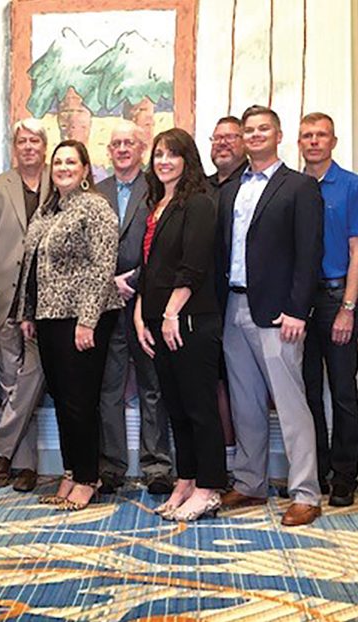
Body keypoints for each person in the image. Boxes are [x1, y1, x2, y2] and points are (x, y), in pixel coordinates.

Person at [217, 105, 324, 527]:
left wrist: (298, 309)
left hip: (280, 314)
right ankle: (250, 482)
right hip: (233, 306)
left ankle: (306, 493)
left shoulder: (299, 187)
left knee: (291, 405)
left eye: (264, 129)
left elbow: (309, 253)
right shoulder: (230, 189)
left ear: (279, 136)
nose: (255, 135)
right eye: (249, 130)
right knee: (245, 404)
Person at [18, 140, 121, 511]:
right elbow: (31, 265)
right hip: (49, 317)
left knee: (80, 401)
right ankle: (71, 470)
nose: (63, 168)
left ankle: (88, 477)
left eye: (71, 162)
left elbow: (102, 266)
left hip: (83, 318)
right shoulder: (48, 210)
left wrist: (87, 321)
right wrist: (27, 312)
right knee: (62, 400)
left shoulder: (95, 207)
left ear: (85, 169)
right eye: (58, 162)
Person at [133, 128, 226, 521]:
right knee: (177, 409)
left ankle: (209, 487)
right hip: (158, 319)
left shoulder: (199, 202)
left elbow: (194, 265)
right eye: (158, 154)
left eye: (172, 154)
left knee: (200, 408)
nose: (163, 161)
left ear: (187, 160)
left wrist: (171, 313)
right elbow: (150, 267)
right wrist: (141, 316)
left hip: (190, 319)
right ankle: (186, 480)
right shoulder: (157, 204)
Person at [298, 112, 358, 507]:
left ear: (333, 141)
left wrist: (348, 308)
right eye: (307, 136)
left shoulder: (352, 186)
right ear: (298, 142)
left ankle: (345, 475)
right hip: (300, 303)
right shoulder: (291, 187)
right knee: (306, 391)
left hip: (335, 296)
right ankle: (317, 469)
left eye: (321, 135)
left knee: (343, 391)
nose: (313, 141)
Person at [97, 121, 173, 495]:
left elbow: (165, 244)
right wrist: (108, 283)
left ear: (142, 149)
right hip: (105, 304)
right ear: (109, 151)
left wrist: (136, 280)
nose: (123, 149)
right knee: (108, 386)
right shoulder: (96, 193)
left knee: (152, 385)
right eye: (117, 144)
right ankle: (110, 465)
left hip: (149, 301)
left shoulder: (158, 189)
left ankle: (157, 466)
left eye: (130, 143)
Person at [0, 119, 49, 492]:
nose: (28, 146)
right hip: (4, 299)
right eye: (22, 141)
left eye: (35, 140)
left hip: (48, 302)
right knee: (10, 383)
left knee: (31, 378)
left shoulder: (62, 180)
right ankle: (25, 466)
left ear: (45, 146)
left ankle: (2, 450)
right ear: (14, 146)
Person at [207, 116, 248, 448]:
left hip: (245, 298)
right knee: (215, 376)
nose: (222, 143)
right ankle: (226, 454)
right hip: (206, 299)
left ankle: (246, 455)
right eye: (217, 138)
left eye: (231, 137)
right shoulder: (200, 187)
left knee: (246, 381)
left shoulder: (253, 184)